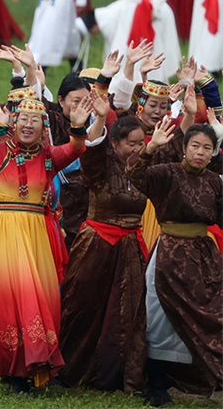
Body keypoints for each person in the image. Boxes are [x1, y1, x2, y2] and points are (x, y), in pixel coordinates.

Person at [0, 86, 93, 393]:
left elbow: (78, 149)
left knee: (40, 296)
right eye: (23, 118)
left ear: (43, 128)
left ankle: (35, 363)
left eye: (35, 120)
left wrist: (78, 126)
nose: (28, 124)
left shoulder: (49, 157)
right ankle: (14, 369)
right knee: (9, 297)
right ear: (13, 123)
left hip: (35, 233)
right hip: (0, 230)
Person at [127, 119, 222, 406]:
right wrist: (150, 147)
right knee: (160, 317)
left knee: (211, 315)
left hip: (204, 256)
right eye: (195, 145)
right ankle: (156, 385)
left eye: (207, 147)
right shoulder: (166, 173)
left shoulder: (215, 182)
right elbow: (133, 174)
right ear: (184, 147)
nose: (200, 152)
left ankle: (198, 377)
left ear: (213, 152)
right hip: (168, 254)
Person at [58, 105, 148, 391]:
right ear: (115, 142)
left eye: (140, 143)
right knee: (83, 306)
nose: (136, 148)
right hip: (97, 243)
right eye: (130, 143)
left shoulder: (143, 168)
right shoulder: (101, 164)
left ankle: (116, 374)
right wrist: (98, 118)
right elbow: (92, 146)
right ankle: (69, 370)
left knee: (126, 313)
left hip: (131, 247)